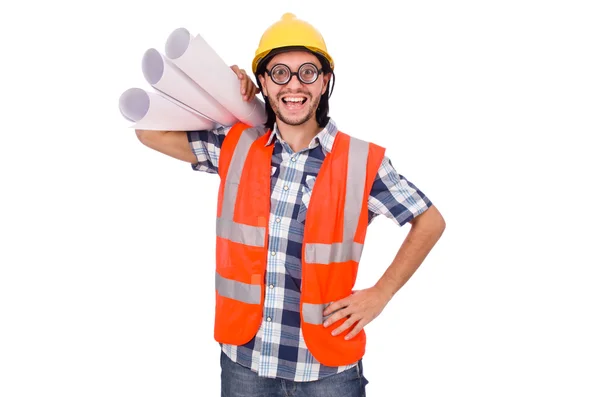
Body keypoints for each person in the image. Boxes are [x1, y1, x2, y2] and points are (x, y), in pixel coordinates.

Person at [135, 12, 445, 397]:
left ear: (325, 80)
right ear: (263, 82)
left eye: (307, 73)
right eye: (279, 73)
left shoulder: (362, 161)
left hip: (327, 366)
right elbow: (148, 131)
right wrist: (222, 96)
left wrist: (380, 294)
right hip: (245, 360)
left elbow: (430, 221)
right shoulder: (236, 145)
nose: (294, 85)